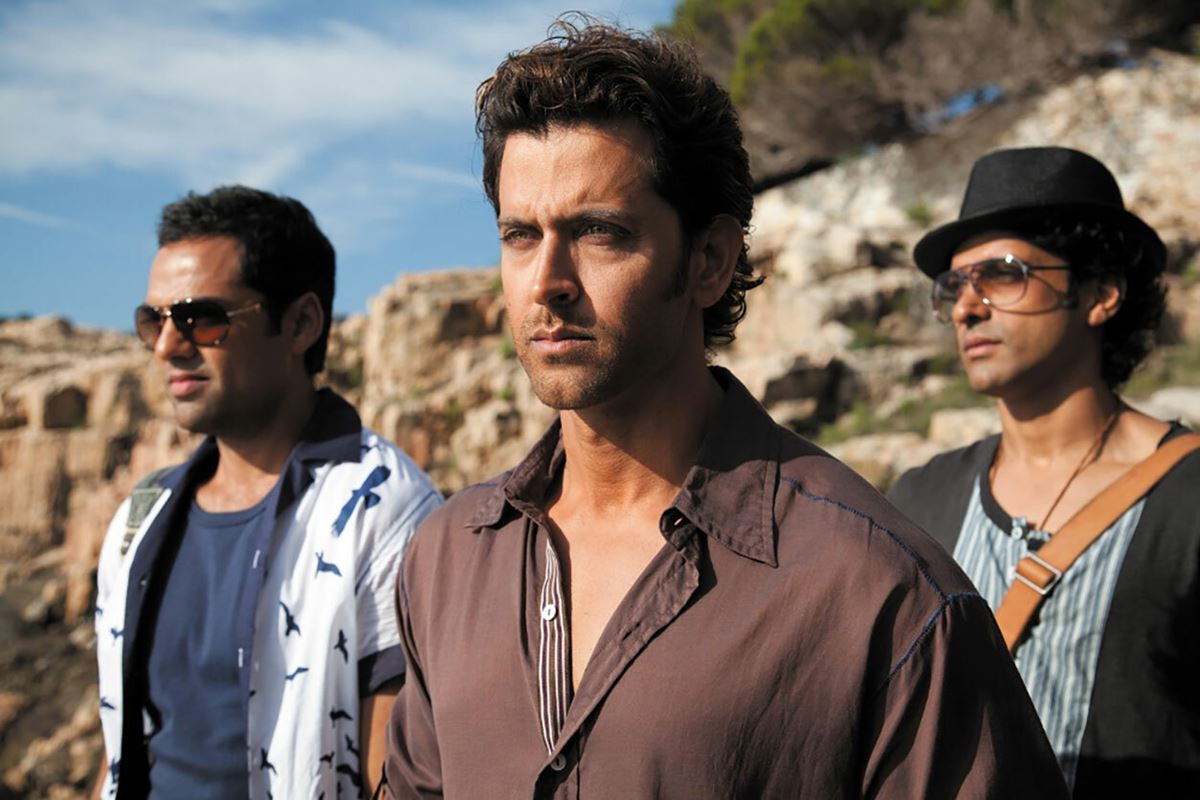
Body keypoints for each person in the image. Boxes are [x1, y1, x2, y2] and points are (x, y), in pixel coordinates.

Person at [384, 20, 1067, 799]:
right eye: (519, 235)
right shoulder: (446, 561)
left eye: (599, 232)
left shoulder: (877, 592)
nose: (547, 281)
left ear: (710, 260)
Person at [93, 186, 441, 799]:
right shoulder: (138, 518)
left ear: (301, 323)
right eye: (154, 321)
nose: (168, 346)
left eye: (202, 318)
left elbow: (392, 780)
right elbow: (121, 740)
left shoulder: (386, 513)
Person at [889, 146, 1200, 796]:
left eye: (1002, 275)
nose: (968, 307)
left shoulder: (1189, 496)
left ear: (1100, 293)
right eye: (954, 286)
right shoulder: (918, 500)